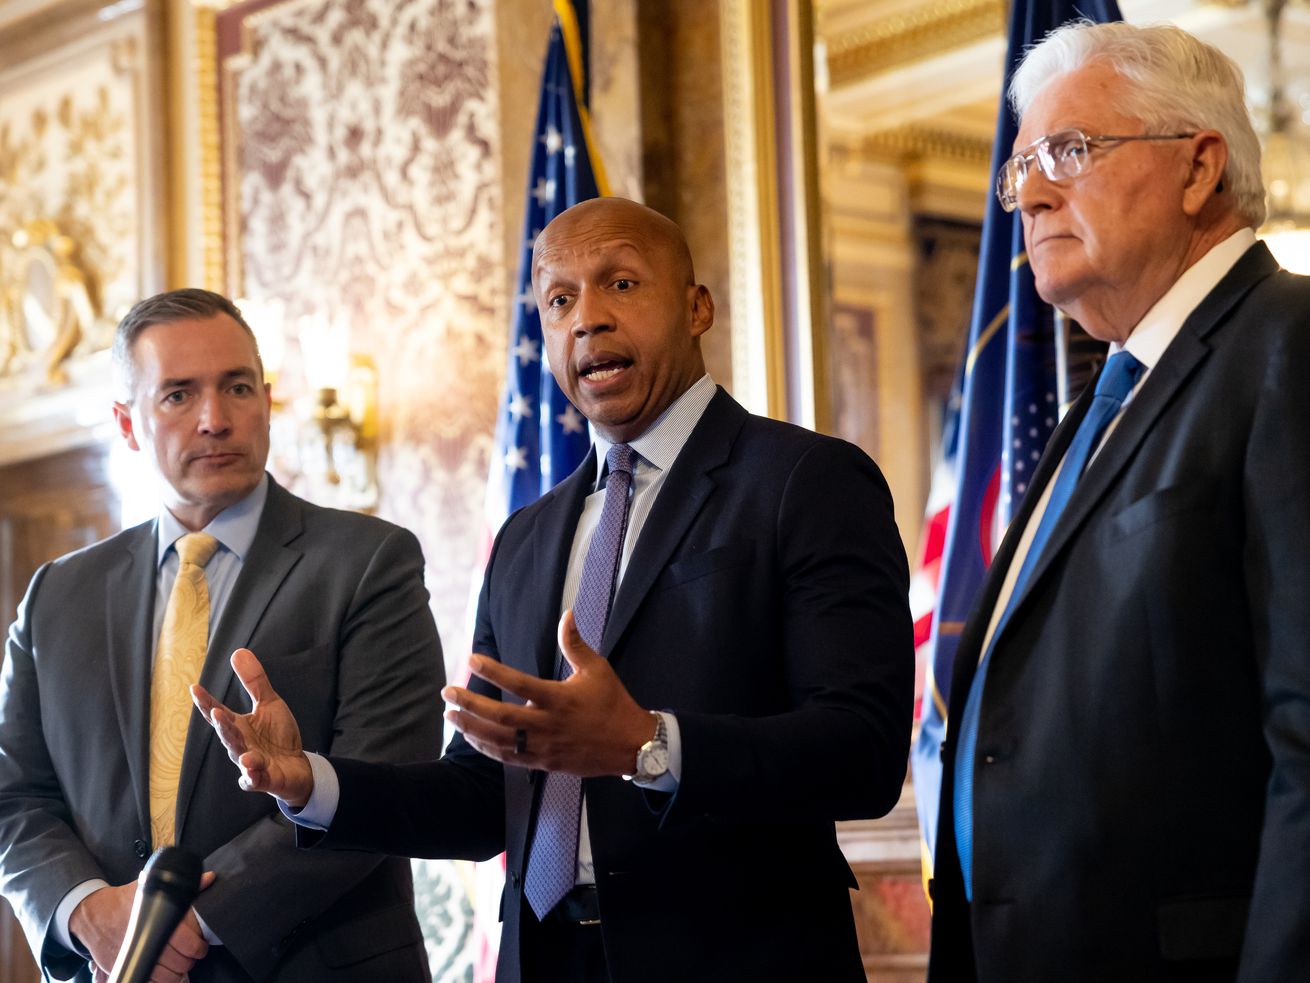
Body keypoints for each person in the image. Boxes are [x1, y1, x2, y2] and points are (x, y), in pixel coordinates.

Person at [192, 197, 915, 983]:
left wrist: (647, 744)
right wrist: (314, 783)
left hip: (738, 955)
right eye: (560, 300)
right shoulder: (527, 537)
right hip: (542, 957)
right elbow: (480, 796)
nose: (588, 320)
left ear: (697, 306)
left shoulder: (805, 481)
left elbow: (863, 754)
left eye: (623, 284)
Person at [927, 21, 1310, 983]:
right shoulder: (1109, 396)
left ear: (1198, 168)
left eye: (1070, 150)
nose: (1032, 193)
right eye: (1023, 169)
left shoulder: (1289, 346)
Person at [0, 289, 444, 982]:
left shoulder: (367, 561)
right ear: (126, 423)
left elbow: (387, 776)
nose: (215, 419)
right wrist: (87, 910)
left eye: (236, 387)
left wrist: (181, 925)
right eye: (177, 395)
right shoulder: (56, 594)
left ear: (266, 400)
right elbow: (14, 794)